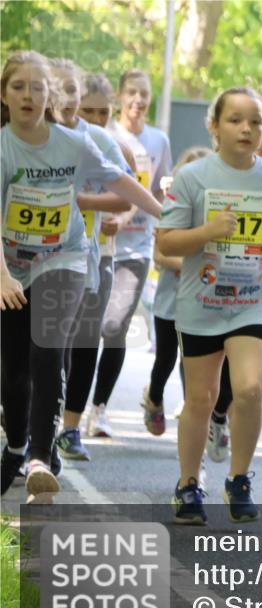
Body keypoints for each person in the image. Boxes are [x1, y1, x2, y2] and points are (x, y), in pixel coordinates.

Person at [0, 51, 161, 500]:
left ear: (49, 96)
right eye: (19, 87)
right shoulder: (2, 148)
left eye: (37, 87)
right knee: (11, 372)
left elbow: (118, 179)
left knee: (47, 349)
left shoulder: (72, 143)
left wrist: (164, 214)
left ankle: (39, 458)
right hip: (10, 265)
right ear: (3, 96)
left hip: (63, 257)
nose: (29, 96)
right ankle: (15, 444)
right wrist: (2, 276)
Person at [157, 85, 262, 524]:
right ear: (214, 126)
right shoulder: (193, 177)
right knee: (200, 398)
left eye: (255, 121)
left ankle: (239, 479)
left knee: (251, 388)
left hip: (253, 302)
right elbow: (166, 240)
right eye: (236, 119)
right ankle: (188, 484)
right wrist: (209, 231)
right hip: (202, 300)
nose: (247, 128)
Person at [49, 61, 134, 463]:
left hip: (93, 256)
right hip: (37, 257)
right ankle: (37, 422)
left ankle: (69, 427)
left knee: (85, 341)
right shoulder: (33, 138)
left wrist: (82, 202)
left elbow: (126, 193)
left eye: (102, 111)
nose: (92, 117)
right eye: (87, 111)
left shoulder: (100, 141)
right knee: (48, 344)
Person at [85, 69, 173, 438]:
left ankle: (98, 408)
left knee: (114, 325)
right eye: (132, 93)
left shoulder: (158, 140)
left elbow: (155, 190)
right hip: (92, 244)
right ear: (120, 98)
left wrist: (125, 218)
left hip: (135, 247)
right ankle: (67, 404)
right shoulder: (104, 133)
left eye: (145, 94)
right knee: (82, 330)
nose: (138, 101)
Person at [142, 146, 212, 436]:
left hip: (202, 301)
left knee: (191, 359)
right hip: (171, 301)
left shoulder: (214, 216)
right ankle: (154, 397)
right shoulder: (171, 210)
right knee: (166, 358)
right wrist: (189, 264)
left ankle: (190, 408)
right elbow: (160, 256)